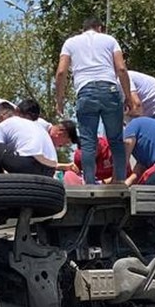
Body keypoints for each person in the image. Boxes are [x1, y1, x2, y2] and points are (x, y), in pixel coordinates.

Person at [55, 17, 138, 184]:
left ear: (83, 29)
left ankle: (90, 184)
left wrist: (60, 99)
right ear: (100, 28)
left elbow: (61, 72)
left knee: (88, 142)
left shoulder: (70, 43)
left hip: (85, 92)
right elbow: (121, 69)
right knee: (115, 140)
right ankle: (119, 182)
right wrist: (128, 98)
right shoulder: (109, 40)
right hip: (110, 90)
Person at [0, 102, 60, 177]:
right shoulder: (35, 124)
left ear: (0, 117)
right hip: (51, 170)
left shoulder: (2, 125)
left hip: (29, 164)